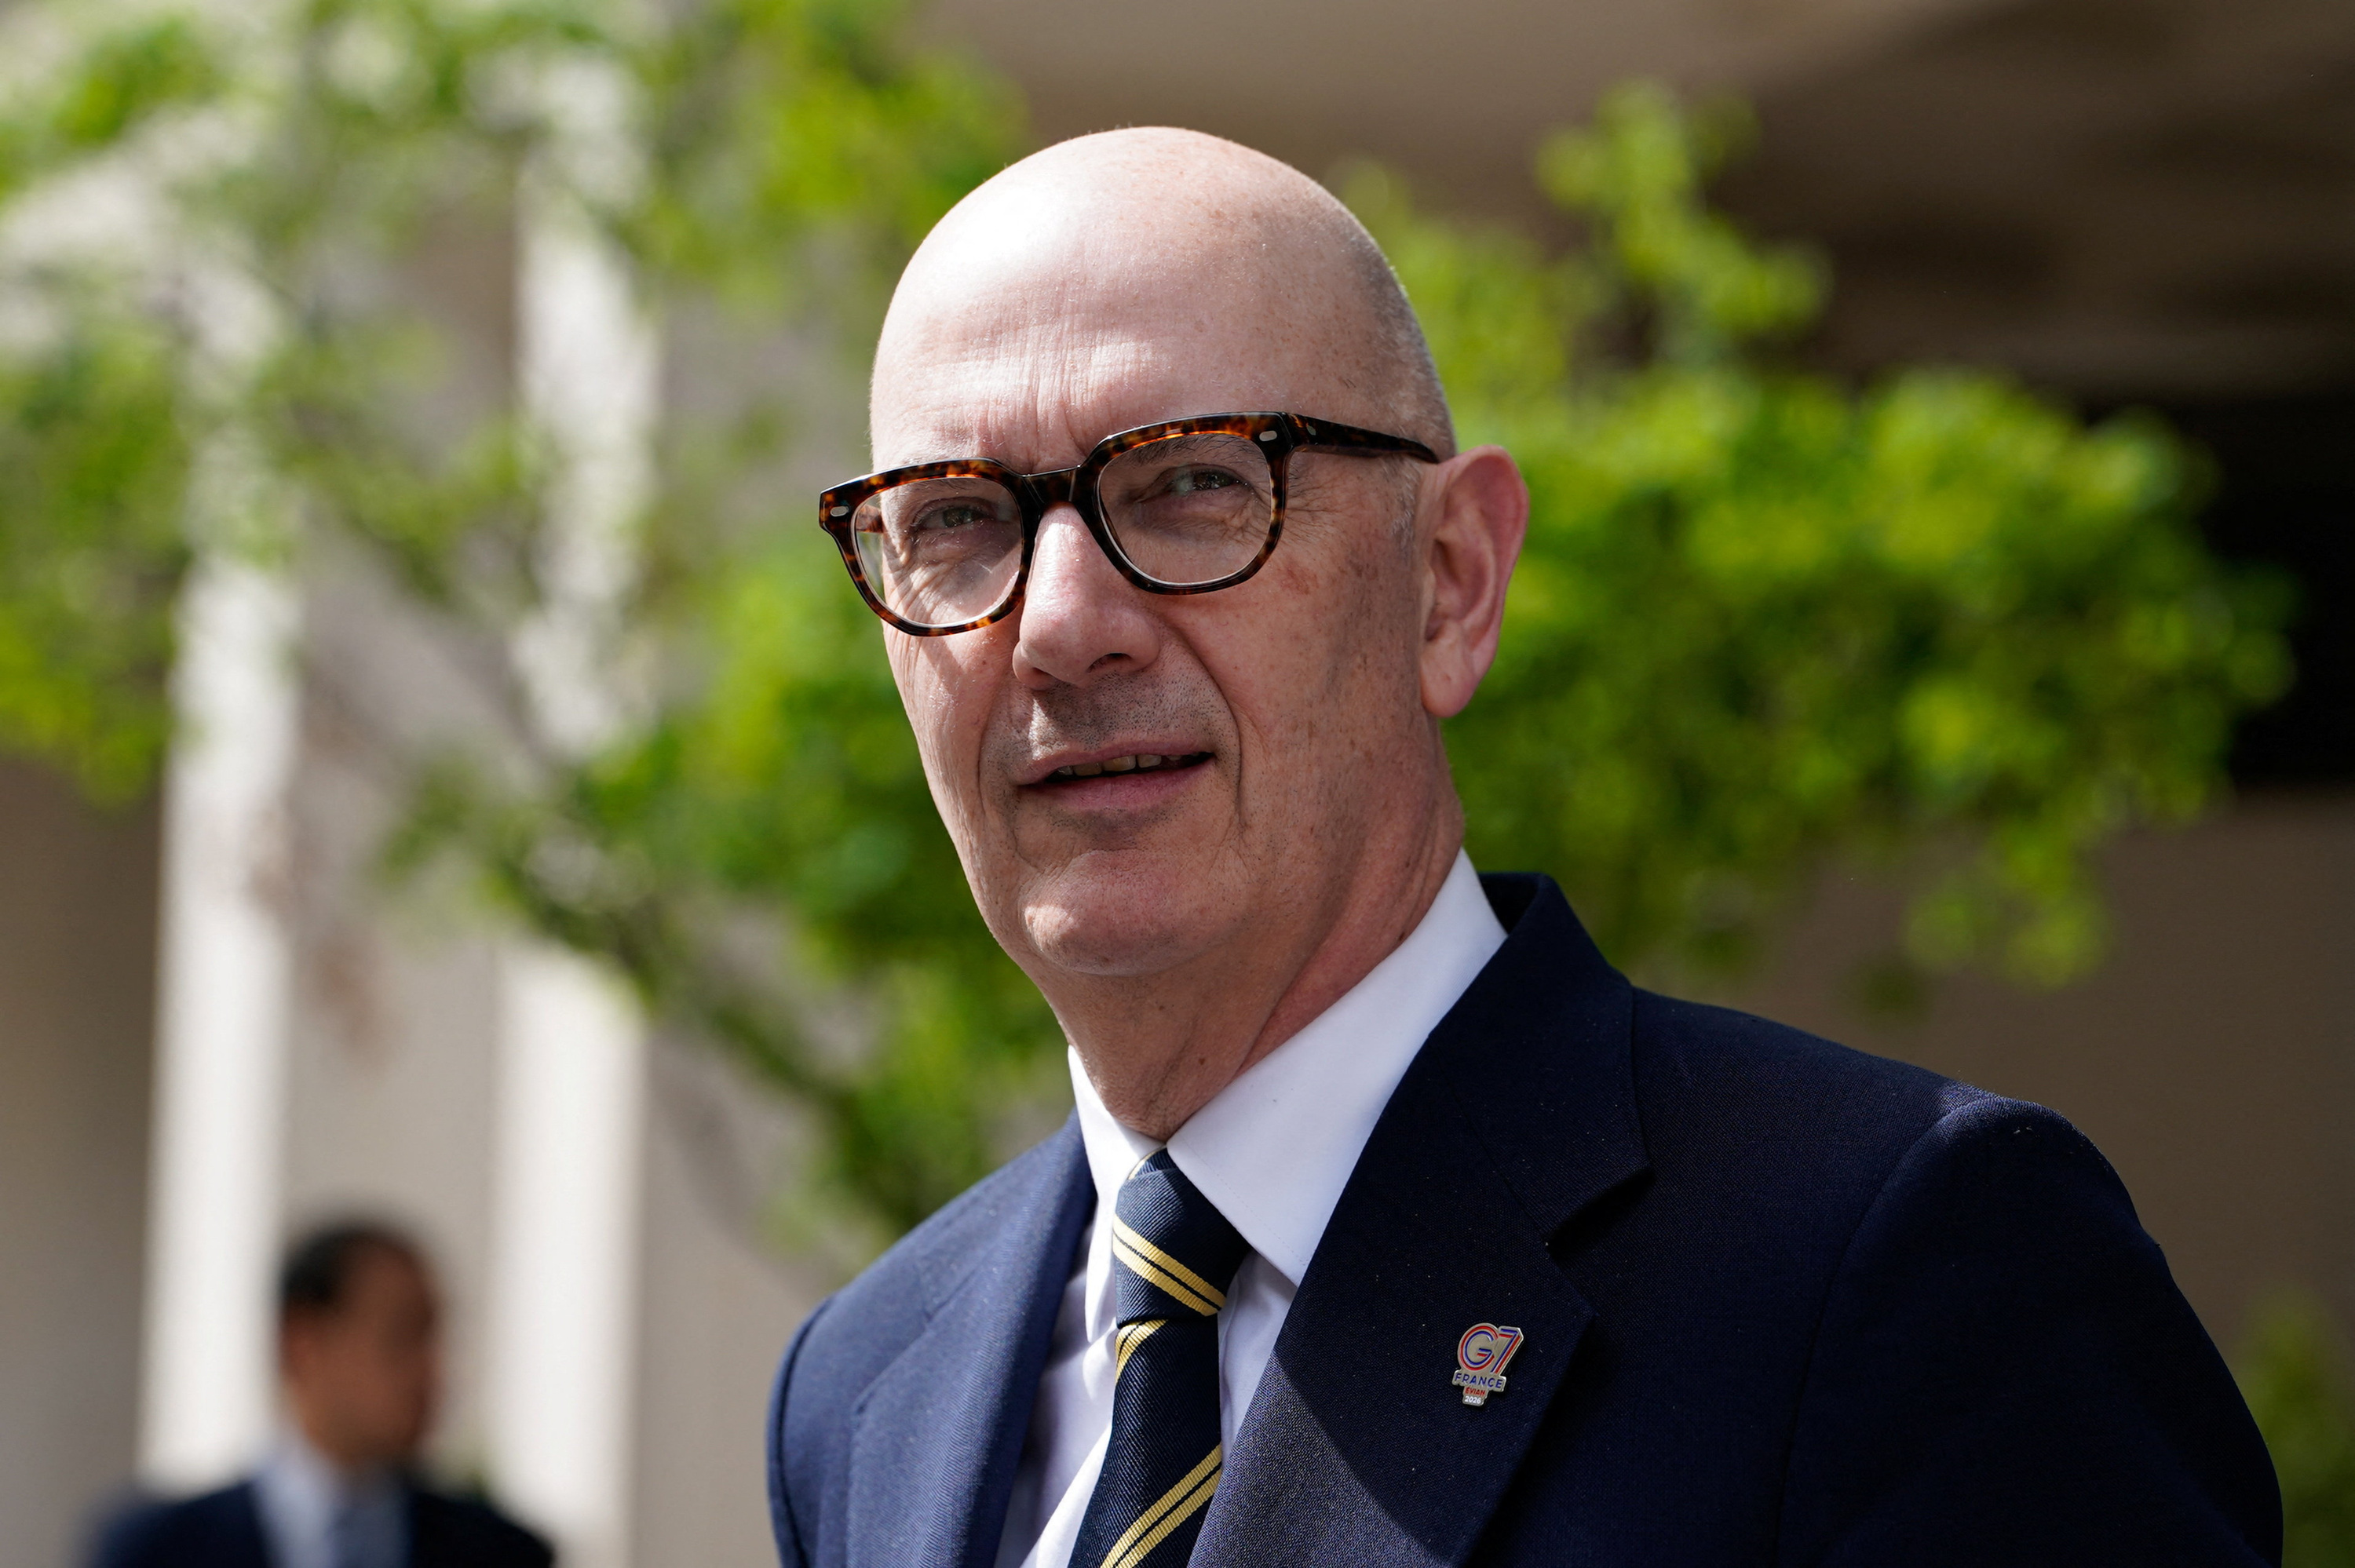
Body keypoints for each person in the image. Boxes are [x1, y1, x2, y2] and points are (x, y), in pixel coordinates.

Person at [765, 127, 2281, 1568]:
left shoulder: (1894, 1266)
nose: (1059, 625)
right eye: (952, 519)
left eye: (1191, 482)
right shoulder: (869, 1386)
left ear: (1451, 579)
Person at [93, 1220, 552, 1568]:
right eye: (402, 1336)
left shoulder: (501, 1553)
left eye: (435, 1339)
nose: (432, 1374)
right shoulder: (158, 1549)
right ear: (303, 1345)